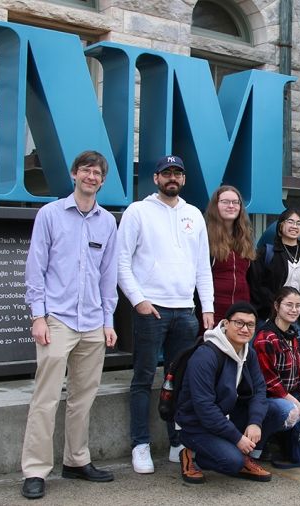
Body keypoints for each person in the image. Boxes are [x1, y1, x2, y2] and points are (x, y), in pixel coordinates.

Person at [21, 150, 118, 499]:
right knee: (45, 399)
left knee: (83, 398)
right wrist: (38, 316)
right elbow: (36, 268)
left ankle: (76, 461)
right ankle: (35, 471)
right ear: (74, 174)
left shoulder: (107, 222)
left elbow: (109, 275)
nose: (91, 177)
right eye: (86, 171)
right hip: (57, 319)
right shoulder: (49, 215)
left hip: (93, 322)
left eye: (97, 173)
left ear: (102, 181)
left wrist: (108, 321)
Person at [116, 154, 214, 474]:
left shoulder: (194, 215)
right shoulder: (138, 212)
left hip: (185, 311)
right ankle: (140, 444)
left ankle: (176, 441)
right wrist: (139, 301)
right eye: (166, 173)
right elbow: (122, 262)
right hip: (151, 310)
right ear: (156, 178)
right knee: (144, 378)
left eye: (177, 173)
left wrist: (207, 307)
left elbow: (202, 268)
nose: (172, 177)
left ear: (183, 179)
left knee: (179, 380)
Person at [174, 302, 272, 484]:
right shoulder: (206, 355)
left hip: (227, 415)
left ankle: (235, 452)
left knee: (275, 409)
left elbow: (260, 389)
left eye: (250, 325)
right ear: (226, 324)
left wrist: (255, 422)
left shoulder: (247, 352)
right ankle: (192, 453)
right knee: (232, 461)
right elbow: (204, 407)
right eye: (239, 323)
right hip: (197, 425)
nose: (245, 329)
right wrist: (237, 438)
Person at [253, 287, 300, 460]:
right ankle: (262, 444)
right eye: (289, 305)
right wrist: (297, 403)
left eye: (298, 305)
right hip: (269, 398)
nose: (294, 310)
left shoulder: (292, 334)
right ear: (277, 306)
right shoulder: (266, 337)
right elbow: (270, 382)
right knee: (290, 410)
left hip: (291, 391)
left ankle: (292, 437)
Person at [248, 208, 300, 375]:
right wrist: (277, 308)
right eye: (290, 222)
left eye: (299, 223)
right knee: (269, 363)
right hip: (271, 318)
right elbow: (256, 284)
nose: (295, 226)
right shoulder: (267, 252)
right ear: (280, 226)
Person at [203, 185, 255, 323]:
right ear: (216, 205)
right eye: (225, 202)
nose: (231, 206)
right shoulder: (205, 236)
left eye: (235, 202)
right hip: (213, 313)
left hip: (241, 314)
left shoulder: (246, 238)